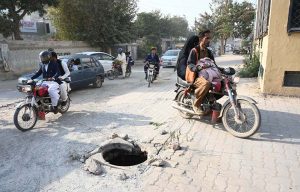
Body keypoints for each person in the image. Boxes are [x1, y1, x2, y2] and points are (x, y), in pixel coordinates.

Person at [187, 30, 216, 115]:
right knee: (206, 84)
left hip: (207, 75)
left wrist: (223, 70)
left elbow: (213, 64)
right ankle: (196, 103)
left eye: (209, 38)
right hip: (196, 76)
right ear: (200, 39)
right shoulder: (195, 50)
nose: (209, 40)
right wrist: (196, 68)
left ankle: (209, 101)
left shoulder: (209, 52)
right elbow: (190, 64)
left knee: (220, 82)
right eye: (207, 38)